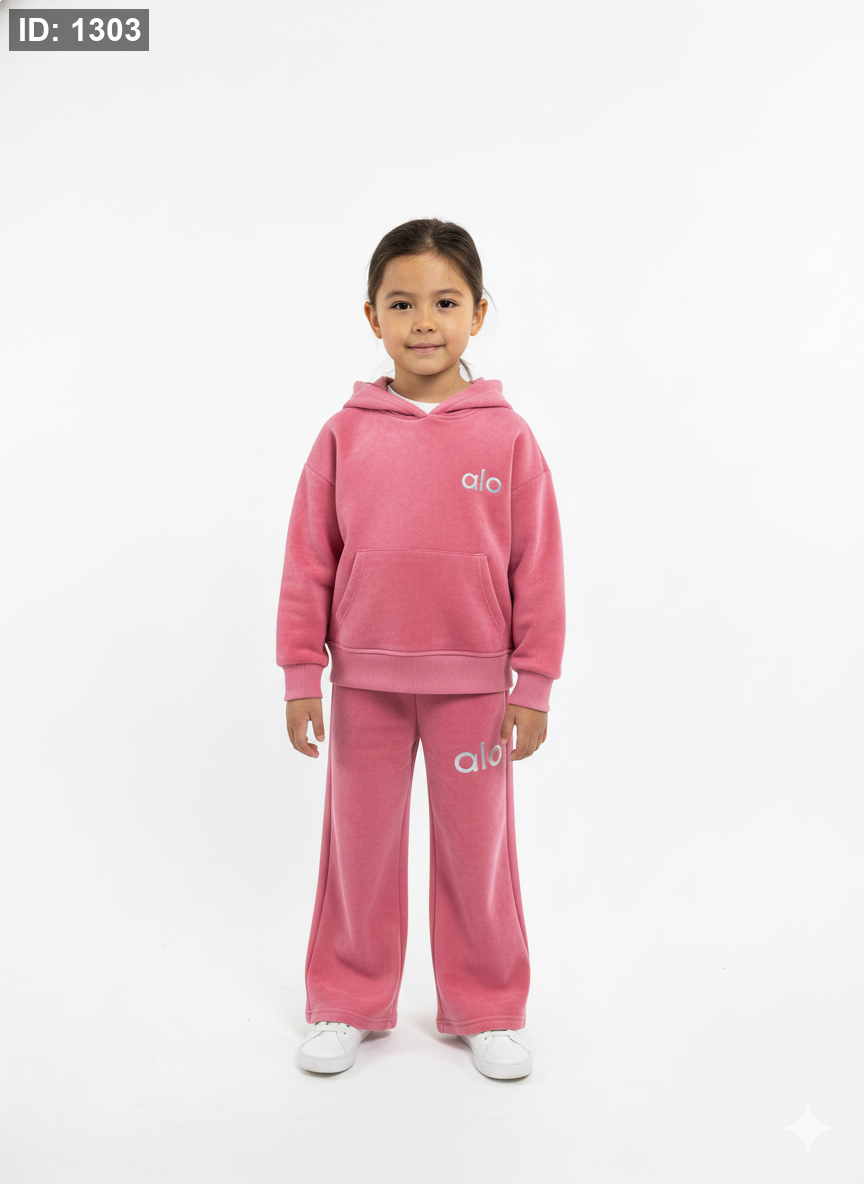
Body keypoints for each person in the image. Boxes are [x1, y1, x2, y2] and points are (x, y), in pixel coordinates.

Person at [276, 217, 566, 1079]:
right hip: (364, 683)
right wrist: (301, 673)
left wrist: (533, 685)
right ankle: (345, 1001)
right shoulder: (344, 433)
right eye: (402, 304)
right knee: (357, 851)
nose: (424, 321)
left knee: (479, 856)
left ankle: (487, 1006)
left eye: (445, 301)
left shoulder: (508, 437)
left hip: (476, 691)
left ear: (479, 312)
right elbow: (307, 560)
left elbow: (539, 569)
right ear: (373, 316)